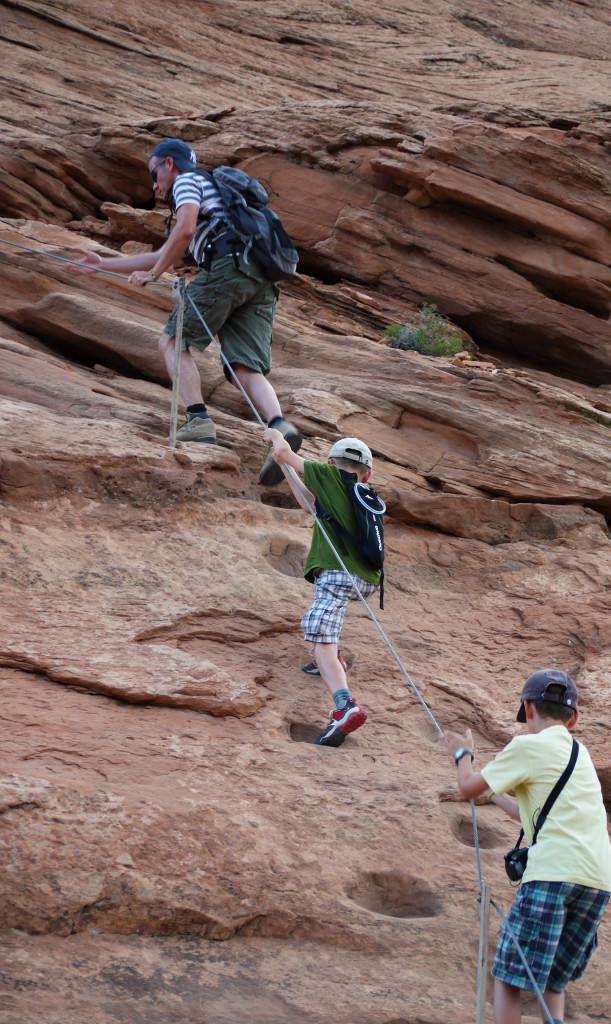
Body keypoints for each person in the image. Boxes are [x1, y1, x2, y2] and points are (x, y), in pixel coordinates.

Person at [73, 137, 300, 484]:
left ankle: (197, 420)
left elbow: (186, 229)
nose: (154, 183)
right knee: (243, 367)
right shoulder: (216, 195)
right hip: (259, 279)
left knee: (171, 341)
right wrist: (104, 262)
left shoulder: (187, 181)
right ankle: (280, 428)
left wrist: (153, 275)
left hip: (227, 268)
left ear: (168, 163)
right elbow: (170, 248)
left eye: (154, 172)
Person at [441, 669, 611, 1024]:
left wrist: (462, 754)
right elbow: (534, 815)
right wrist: (495, 795)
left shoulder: (527, 746)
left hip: (552, 873)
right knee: (554, 979)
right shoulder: (580, 754)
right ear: (574, 718)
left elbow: (466, 787)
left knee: (509, 976)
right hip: (597, 881)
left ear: (528, 709)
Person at [261, 430, 381, 746]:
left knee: (319, 633)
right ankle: (330, 658)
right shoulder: (362, 494)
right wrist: (285, 467)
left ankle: (345, 705)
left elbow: (290, 455)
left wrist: (276, 438)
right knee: (328, 616)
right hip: (366, 579)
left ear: (330, 463)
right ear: (367, 474)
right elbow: (310, 504)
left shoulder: (330, 474)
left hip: (338, 574)